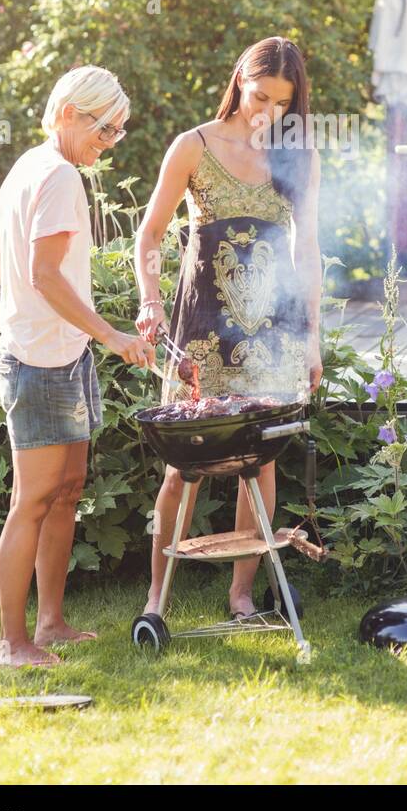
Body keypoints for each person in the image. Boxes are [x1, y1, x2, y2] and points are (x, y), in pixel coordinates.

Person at [135, 37, 323, 621]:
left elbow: (309, 248)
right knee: (182, 465)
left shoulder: (298, 159)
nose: (266, 111)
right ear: (240, 77)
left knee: (258, 463)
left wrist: (312, 335)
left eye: (281, 104)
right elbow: (149, 237)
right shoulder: (192, 146)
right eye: (259, 95)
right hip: (201, 326)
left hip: (273, 330)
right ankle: (155, 597)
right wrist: (149, 301)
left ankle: (241, 594)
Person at [0, 66, 156, 668]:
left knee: (67, 491)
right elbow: (41, 274)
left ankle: (51, 622)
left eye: (117, 133)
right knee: (33, 501)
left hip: (62, 353)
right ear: (68, 114)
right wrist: (109, 334)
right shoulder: (56, 175)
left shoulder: (29, 166)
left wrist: (42, 315)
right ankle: (13, 643)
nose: (107, 143)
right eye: (103, 129)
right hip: (40, 364)